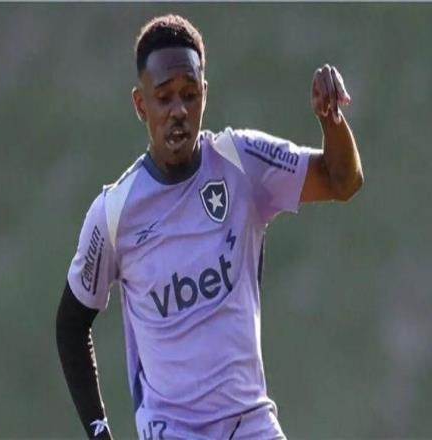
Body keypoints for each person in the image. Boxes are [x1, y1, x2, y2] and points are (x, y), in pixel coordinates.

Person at [56, 14, 363, 440]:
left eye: (189, 94)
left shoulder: (241, 162)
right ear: (141, 104)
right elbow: (71, 324)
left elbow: (342, 181)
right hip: (173, 430)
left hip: (250, 423)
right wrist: (98, 431)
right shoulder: (114, 212)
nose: (178, 111)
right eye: (164, 98)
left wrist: (331, 120)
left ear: (205, 94)